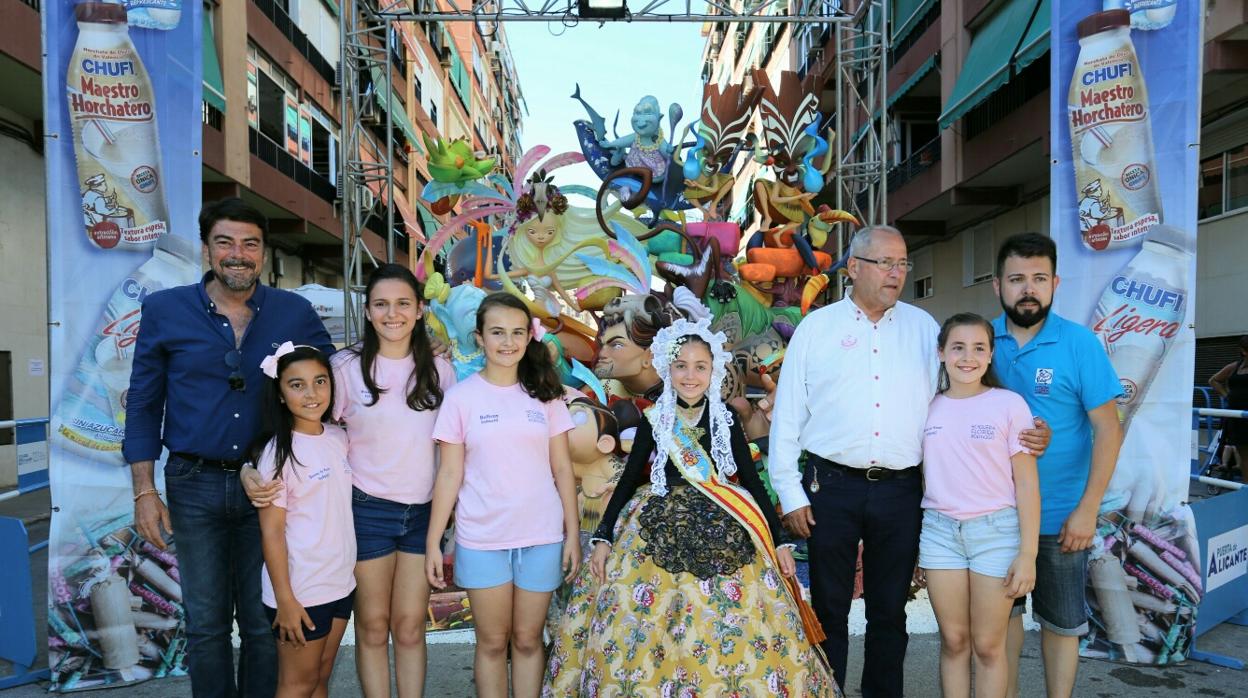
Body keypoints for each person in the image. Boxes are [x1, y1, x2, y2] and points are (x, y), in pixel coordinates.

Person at [767, 225, 1049, 696]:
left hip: (900, 491)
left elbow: (968, 392)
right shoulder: (817, 329)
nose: (896, 273)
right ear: (854, 268)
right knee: (829, 610)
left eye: (903, 264)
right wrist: (790, 493)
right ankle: (828, 691)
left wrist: (1031, 430)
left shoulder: (923, 329)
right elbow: (787, 418)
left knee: (889, 609)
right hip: (828, 487)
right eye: (885, 263)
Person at [544, 315, 837, 696]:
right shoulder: (655, 418)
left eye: (700, 367)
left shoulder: (727, 418)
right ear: (668, 367)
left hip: (724, 519)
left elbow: (750, 481)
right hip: (655, 521)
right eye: (681, 366)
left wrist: (779, 540)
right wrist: (603, 536)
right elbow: (630, 478)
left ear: (713, 369)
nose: (690, 375)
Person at [123, 198, 334, 698]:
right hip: (194, 485)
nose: (237, 254)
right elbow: (144, 405)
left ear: (264, 251)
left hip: (272, 485)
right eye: (225, 243)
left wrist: (415, 348)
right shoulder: (164, 309)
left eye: (250, 244)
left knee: (264, 621)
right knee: (206, 622)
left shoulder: (295, 312)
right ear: (206, 249)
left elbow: (339, 377)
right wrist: (143, 492)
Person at [243, 263, 454, 697]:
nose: (391, 314)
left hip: (422, 515)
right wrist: (250, 468)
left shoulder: (441, 370)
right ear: (368, 310)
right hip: (367, 511)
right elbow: (298, 425)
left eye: (402, 304)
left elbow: (456, 449)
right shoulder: (342, 367)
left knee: (411, 627)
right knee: (373, 627)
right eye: (381, 304)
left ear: (419, 310)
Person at [425, 292, 581, 698]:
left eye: (517, 332)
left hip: (542, 537)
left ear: (529, 337)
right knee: (492, 643)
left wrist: (573, 536)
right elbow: (449, 474)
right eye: (497, 332)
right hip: (483, 541)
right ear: (480, 337)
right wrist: (432, 543)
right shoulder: (460, 399)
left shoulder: (547, 396)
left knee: (529, 641)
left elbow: (563, 468)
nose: (507, 342)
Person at [991, 233, 1124, 698]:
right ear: (997, 286)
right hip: (996, 516)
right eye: (1017, 279)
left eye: (1039, 278)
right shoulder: (981, 344)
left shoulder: (1080, 344)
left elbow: (1109, 429)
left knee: (1063, 624)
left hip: (1061, 516)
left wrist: (1087, 509)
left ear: (1055, 283)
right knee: (1001, 622)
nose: (1028, 288)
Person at [919, 313, 1040, 698]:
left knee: (989, 646)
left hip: (997, 535)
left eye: (978, 348)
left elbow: (1026, 483)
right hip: (940, 534)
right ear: (941, 353)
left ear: (990, 356)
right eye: (957, 347)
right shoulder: (926, 406)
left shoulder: (1008, 404)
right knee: (954, 641)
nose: (967, 357)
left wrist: (1028, 553)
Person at [252, 344, 354, 698]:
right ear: (280, 394)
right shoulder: (277, 454)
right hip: (301, 591)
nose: (311, 394)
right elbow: (272, 532)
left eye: (320, 381)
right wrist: (286, 600)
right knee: (296, 686)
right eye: (297, 385)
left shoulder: (338, 438)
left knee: (319, 679)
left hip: (339, 584)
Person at [1209, 335, 1248, 482]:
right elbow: (1214, 380)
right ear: (1243, 351)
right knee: (1244, 454)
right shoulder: (1235, 367)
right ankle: (1246, 489)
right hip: (1237, 416)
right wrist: (1227, 396)